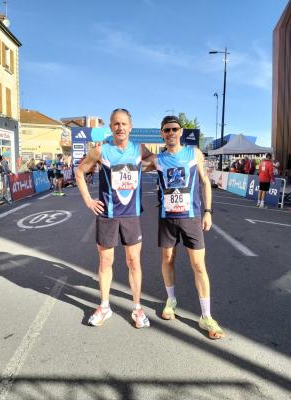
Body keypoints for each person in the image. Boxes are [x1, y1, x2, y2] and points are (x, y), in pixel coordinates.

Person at [143, 115, 225, 340]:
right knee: (167, 259)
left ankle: (206, 316)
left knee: (199, 265)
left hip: (191, 218)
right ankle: (171, 300)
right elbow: (130, 169)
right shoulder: (157, 160)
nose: (171, 133)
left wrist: (208, 212)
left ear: (180, 132)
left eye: (174, 129)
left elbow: (206, 182)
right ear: (162, 133)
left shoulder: (194, 153)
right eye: (167, 130)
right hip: (167, 218)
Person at [76, 108, 152, 329]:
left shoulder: (139, 149)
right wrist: (88, 200)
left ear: (130, 127)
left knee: (133, 262)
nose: (120, 127)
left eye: (124, 124)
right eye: (116, 124)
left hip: (131, 215)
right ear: (110, 127)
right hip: (107, 215)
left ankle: (137, 308)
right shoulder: (100, 151)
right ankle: (105, 306)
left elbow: (158, 161)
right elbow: (80, 173)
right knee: (105, 261)